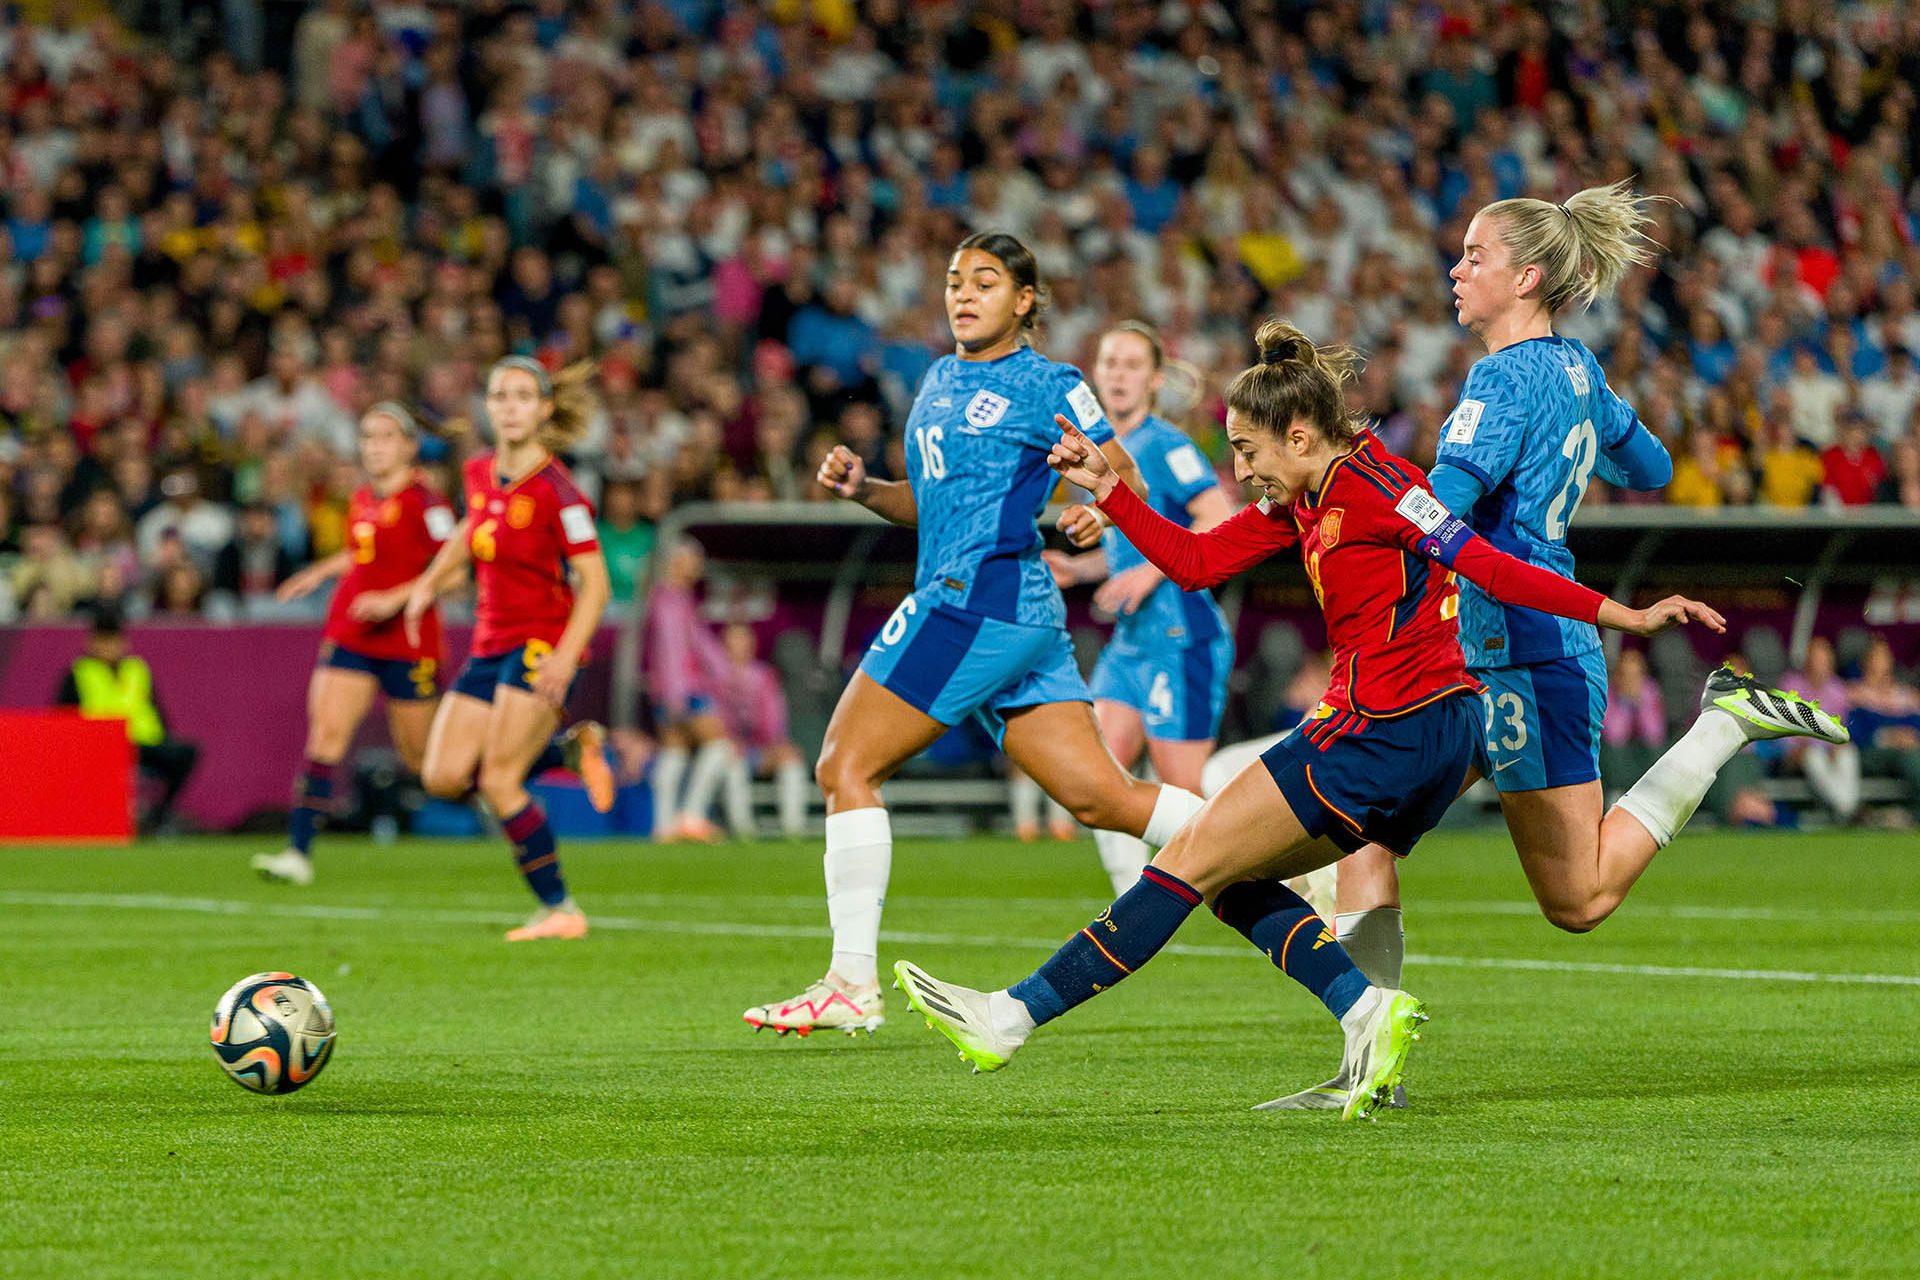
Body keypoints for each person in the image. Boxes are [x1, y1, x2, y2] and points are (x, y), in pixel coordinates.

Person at [893, 322, 1729, 1118]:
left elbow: (1488, 565)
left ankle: (1008, 1018)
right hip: (1430, 738)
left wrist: (1622, 615)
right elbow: (1195, 561)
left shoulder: (1383, 490)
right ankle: (1363, 1013)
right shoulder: (1304, 497)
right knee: (1225, 875)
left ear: (1298, 435)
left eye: (1248, 451)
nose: (1241, 468)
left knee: (1185, 862)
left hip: (1380, 729)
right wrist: (1110, 489)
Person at [1265, 183, 1849, 1111]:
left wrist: (1341, 497)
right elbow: (1652, 467)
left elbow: (1442, 507)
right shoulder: (1578, 370)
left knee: (1577, 901)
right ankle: (1365, 1075)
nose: (1456, 270)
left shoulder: (1498, 380)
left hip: (1520, 646)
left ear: (1526, 276)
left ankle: (1721, 728)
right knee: (1364, 831)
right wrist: (1588, 433)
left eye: (1474, 257)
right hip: (1491, 640)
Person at [741, 232, 1207, 1037]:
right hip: (1009, 613)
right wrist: (866, 489)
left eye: (985, 282)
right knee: (1102, 796)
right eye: (955, 280)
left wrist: (1098, 506)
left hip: (973, 603)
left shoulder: (1048, 383)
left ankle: (850, 981)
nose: (963, 294)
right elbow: (937, 507)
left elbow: (1122, 471)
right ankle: (1270, 843)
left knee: (844, 764)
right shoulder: (938, 380)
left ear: (1025, 300)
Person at [402, 357, 615, 942]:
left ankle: (561, 909)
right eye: (501, 395)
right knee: (442, 776)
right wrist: (428, 582)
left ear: (545, 408)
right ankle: (567, 754)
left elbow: (595, 585)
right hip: (488, 643)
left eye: (524, 396)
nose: (511, 405)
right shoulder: (478, 472)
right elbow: (472, 531)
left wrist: (566, 658)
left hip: (541, 644)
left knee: (499, 782)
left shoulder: (560, 492)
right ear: (488, 407)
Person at [1045, 322, 1237, 892]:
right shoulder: (1097, 453)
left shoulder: (1167, 445)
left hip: (1184, 639)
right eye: (1109, 363)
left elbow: (1219, 517)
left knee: (1186, 789)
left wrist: (1152, 574)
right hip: (1131, 643)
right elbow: (1127, 550)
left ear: (1154, 379)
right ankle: (1132, 903)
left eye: (1131, 365)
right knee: (1097, 777)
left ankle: (1277, 883)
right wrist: (1079, 569)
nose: (1118, 375)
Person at [251, 405, 463, 884]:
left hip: (408, 641)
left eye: (386, 436)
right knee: (325, 735)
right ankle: (298, 853)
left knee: (425, 763)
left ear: (409, 446)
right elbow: (363, 553)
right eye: (368, 437)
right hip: (353, 632)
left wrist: (395, 598)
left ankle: (526, 773)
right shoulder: (363, 498)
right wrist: (319, 572)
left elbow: (453, 572)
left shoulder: (428, 505)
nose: (374, 446)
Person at [56, 603, 200, 834]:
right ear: (92, 642)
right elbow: (63, 720)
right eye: (103, 641)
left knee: (185, 753)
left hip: (142, 742)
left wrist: (164, 737)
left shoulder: (137, 669)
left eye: (113, 640)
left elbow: (155, 709)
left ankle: (159, 816)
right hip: (99, 747)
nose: (109, 648)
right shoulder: (79, 672)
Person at [644, 537, 734, 842]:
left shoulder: (675, 598)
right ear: (676, 562)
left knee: (675, 751)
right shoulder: (669, 600)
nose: (698, 565)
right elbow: (671, 651)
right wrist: (676, 695)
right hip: (682, 690)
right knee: (718, 744)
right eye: (693, 559)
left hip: (669, 689)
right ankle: (692, 816)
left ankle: (663, 823)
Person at [711, 622, 810, 838]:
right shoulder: (714, 677)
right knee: (732, 763)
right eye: (733, 640)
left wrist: (777, 744)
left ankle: (793, 829)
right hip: (730, 749)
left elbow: (774, 718)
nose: (739, 646)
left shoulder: (764, 675)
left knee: (791, 760)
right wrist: (731, 741)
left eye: (743, 640)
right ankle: (743, 830)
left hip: (761, 749)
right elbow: (715, 718)